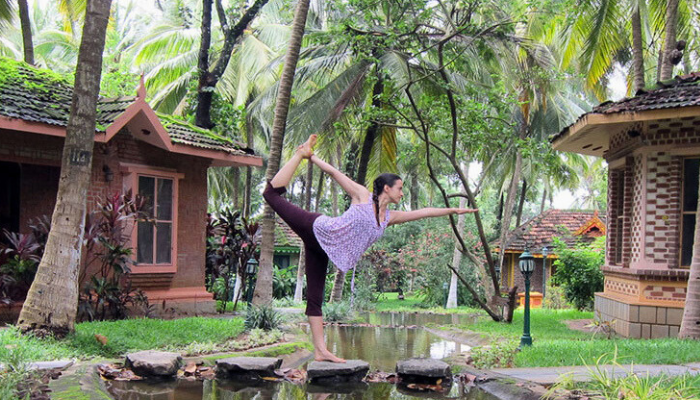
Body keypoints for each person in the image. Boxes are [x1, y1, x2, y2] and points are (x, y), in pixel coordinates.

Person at [263, 135, 477, 363]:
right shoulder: (362, 196)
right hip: (316, 228)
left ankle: (321, 351)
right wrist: (310, 156)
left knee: (315, 300)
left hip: (323, 250)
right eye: (400, 189)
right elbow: (335, 174)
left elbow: (423, 212)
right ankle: (299, 154)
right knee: (270, 194)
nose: (402, 193)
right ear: (387, 188)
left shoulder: (389, 217)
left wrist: (454, 211)